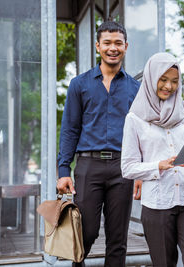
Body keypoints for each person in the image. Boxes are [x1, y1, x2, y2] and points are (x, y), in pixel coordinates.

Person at [57, 21, 141, 267]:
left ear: (126, 46)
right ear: (98, 46)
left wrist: (141, 172)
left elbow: (141, 134)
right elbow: (69, 129)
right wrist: (64, 171)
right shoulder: (79, 84)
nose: (112, 48)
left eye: (118, 43)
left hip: (123, 168)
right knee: (87, 231)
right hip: (88, 167)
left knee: (117, 238)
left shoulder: (136, 89)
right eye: (107, 43)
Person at [121, 52, 184, 267]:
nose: (169, 86)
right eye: (163, 80)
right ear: (151, 78)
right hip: (157, 205)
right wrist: (158, 166)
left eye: (174, 81)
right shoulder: (135, 118)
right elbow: (127, 168)